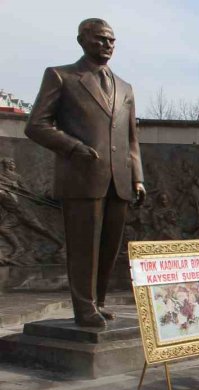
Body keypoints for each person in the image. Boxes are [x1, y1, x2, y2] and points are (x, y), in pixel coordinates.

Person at [25, 18, 146, 328]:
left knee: (108, 247)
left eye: (112, 40)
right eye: (101, 39)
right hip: (81, 177)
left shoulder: (125, 87)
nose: (107, 45)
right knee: (84, 247)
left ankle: (100, 301)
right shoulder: (61, 77)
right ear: (82, 40)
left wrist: (137, 177)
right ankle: (84, 306)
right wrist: (71, 147)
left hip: (119, 180)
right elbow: (36, 125)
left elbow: (131, 138)